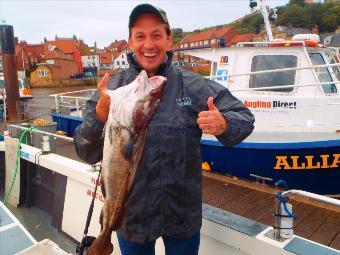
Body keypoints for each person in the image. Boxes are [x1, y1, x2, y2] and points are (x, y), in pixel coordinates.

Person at [74, 3, 255, 255]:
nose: (149, 44)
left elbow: (245, 118)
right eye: (140, 36)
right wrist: (99, 116)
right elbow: (85, 151)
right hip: (131, 218)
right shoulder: (111, 91)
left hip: (182, 216)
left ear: (169, 40)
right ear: (130, 42)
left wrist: (224, 124)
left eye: (157, 35)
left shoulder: (193, 86)